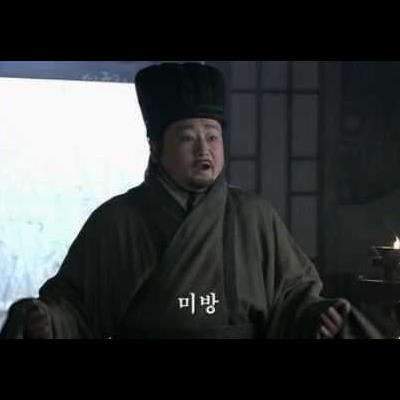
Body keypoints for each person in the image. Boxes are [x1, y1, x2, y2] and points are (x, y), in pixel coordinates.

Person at [0, 63, 382, 339]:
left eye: (212, 137)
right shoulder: (118, 220)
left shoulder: (254, 216)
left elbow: (294, 297)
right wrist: (49, 322)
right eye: (187, 138)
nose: (204, 149)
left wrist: (316, 317)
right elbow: (75, 307)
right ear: (155, 148)